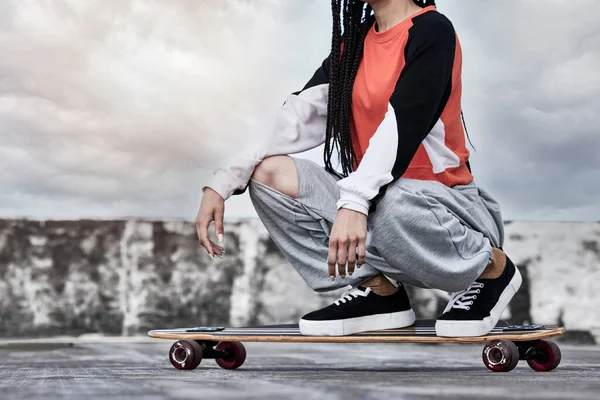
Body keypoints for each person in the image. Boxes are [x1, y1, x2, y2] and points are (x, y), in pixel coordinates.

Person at [196, 0, 522, 338]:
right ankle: (380, 291)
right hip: (379, 206)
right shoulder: (352, 46)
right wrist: (221, 183)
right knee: (267, 175)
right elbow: (295, 117)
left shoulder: (433, 31)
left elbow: (402, 123)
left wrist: (354, 201)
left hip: (447, 213)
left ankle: (489, 270)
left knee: (389, 198)